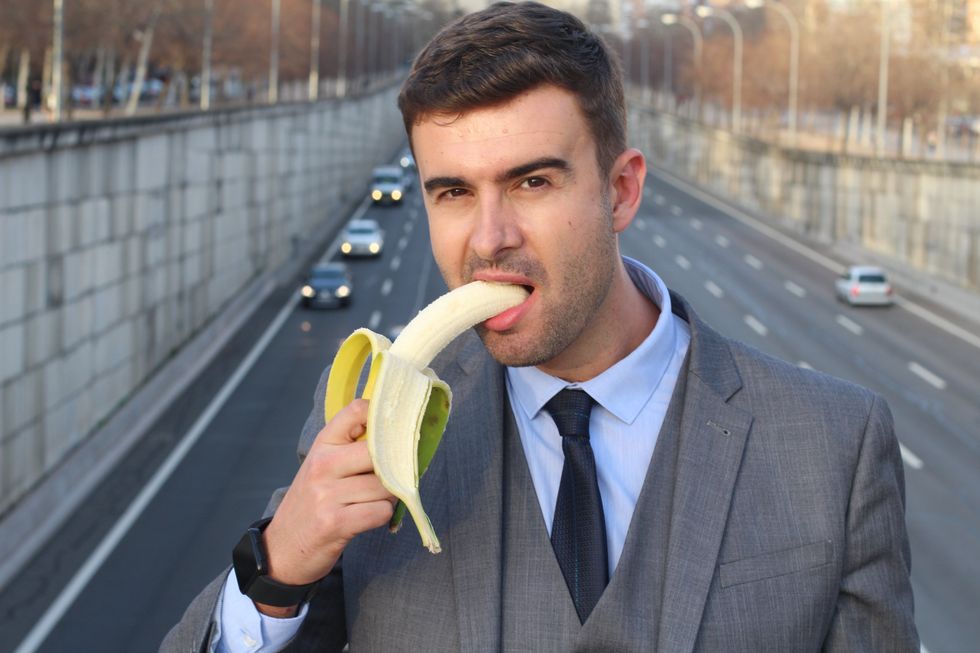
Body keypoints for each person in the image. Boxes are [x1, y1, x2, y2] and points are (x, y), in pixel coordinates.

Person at [163, 2, 918, 651]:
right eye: (454, 191)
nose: (489, 238)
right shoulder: (367, 415)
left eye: (532, 181)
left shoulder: (833, 447)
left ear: (621, 191)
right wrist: (278, 569)